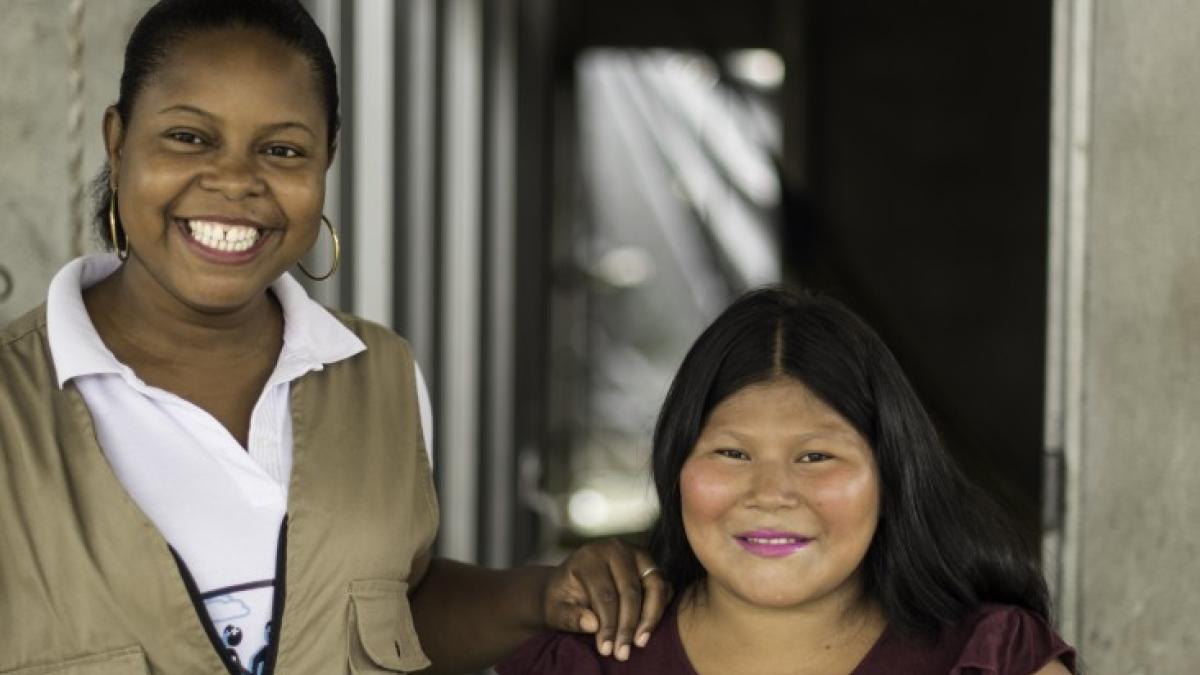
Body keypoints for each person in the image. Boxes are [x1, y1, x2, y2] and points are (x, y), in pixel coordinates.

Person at [0, 1, 669, 673]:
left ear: (326, 162)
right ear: (118, 143)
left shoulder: (378, 372)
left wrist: (543, 593)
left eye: (282, 150)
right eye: (189, 137)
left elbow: (392, 604)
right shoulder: (15, 407)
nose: (235, 180)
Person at [499, 288, 1078, 674]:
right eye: (731, 452)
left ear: (891, 474)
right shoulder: (585, 664)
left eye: (816, 457)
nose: (771, 493)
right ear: (676, 466)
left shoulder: (989, 660)